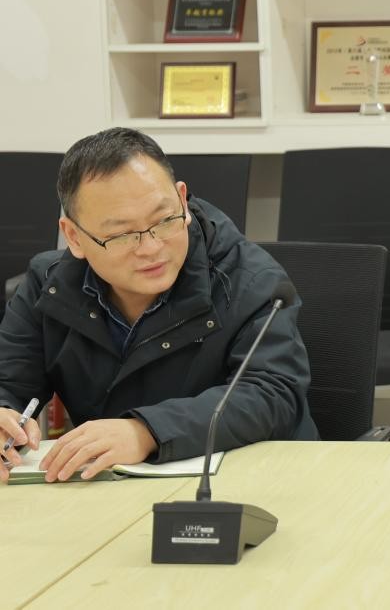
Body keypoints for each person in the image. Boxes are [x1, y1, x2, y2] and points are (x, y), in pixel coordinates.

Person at [0, 128, 318, 483]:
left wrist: (146, 431)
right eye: (122, 235)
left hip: (254, 481)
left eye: (164, 220)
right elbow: (9, 382)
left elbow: (273, 394)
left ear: (181, 200)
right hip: (114, 487)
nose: (151, 248)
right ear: (74, 236)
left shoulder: (250, 279)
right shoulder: (48, 284)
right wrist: (3, 416)